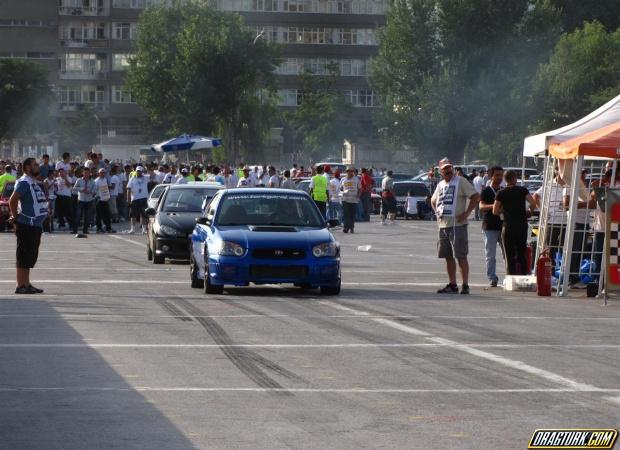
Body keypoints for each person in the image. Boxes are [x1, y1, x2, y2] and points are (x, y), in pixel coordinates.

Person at [431, 158, 479, 294]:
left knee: (461, 255)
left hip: (457, 225)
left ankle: (465, 285)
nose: (448, 171)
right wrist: (436, 213)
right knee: (447, 256)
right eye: (445, 169)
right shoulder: (440, 184)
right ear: (440, 171)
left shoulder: (461, 181)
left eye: (449, 168)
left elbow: (476, 197)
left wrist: (466, 213)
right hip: (443, 225)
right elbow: (433, 201)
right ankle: (452, 284)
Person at [7, 158, 47, 294]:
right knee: (23, 255)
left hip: (34, 225)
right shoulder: (24, 182)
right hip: (26, 224)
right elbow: (13, 200)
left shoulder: (32, 182)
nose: (38, 166)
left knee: (30, 255)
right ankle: (20, 285)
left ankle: (27, 283)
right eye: (35, 165)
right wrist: (16, 218)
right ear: (28, 167)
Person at [493, 170, 536, 276]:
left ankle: (510, 277)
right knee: (521, 253)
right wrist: (529, 211)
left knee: (509, 254)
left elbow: (495, 211)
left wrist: (503, 210)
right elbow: (533, 202)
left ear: (505, 179)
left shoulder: (501, 193)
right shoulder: (522, 190)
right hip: (521, 225)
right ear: (515, 178)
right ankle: (523, 276)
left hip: (508, 225)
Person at [479, 166, 504, 287]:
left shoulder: (504, 190)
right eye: (497, 175)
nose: (499, 177)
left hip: (503, 226)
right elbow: (481, 207)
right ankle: (492, 277)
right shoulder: (486, 191)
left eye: (501, 175)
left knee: (507, 253)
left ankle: (509, 275)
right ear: (491, 176)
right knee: (490, 254)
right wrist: (494, 206)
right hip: (489, 226)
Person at [73, 167, 96, 237]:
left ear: (90, 173)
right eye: (85, 173)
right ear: (83, 173)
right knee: (78, 215)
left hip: (89, 200)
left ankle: (85, 230)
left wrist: (90, 191)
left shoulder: (92, 181)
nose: (86, 174)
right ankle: (75, 230)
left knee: (87, 216)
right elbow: (74, 188)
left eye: (88, 173)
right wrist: (81, 189)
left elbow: (95, 191)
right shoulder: (79, 180)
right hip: (81, 200)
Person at [126, 166, 149, 234]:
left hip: (144, 198)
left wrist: (148, 168)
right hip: (135, 199)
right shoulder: (132, 179)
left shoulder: (146, 178)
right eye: (137, 171)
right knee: (133, 215)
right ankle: (132, 229)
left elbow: (153, 175)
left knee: (144, 215)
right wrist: (128, 199)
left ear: (142, 172)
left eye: (140, 171)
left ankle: (144, 229)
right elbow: (128, 189)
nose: (138, 172)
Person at [341, 166, 361, 233]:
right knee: (346, 214)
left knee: (352, 214)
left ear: (352, 172)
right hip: (345, 199)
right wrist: (342, 192)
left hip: (354, 200)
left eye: (351, 171)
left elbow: (360, 189)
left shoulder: (356, 179)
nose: (349, 173)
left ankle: (351, 227)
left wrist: (358, 196)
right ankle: (345, 228)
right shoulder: (343, 179)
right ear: (346, 172)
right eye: (348, 171)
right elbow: (341, 188)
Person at [94, 168, 115, 233]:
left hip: (105, 200)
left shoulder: (105, 180)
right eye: (101, 173)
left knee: (107, 215)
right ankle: (99, 228)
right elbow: (94, 190)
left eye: (104, 173)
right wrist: (96, 197)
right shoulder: (96, 181)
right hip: (99, 200)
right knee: (99, 215)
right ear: (99, 173)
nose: (103, 174)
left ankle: (108, 228)